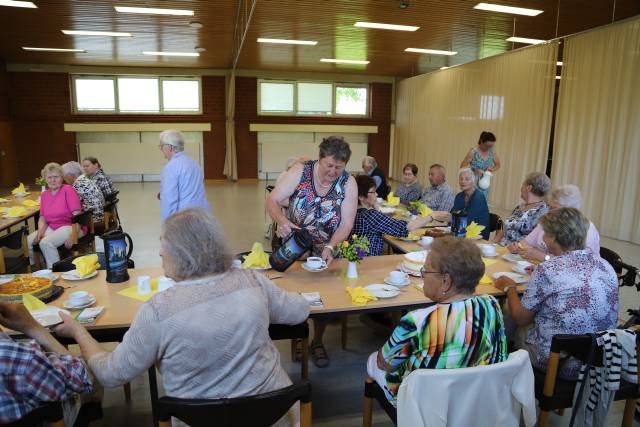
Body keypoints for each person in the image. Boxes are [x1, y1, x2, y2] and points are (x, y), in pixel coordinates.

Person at [55, 208, 309, 427]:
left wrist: (78, 331)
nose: (160, 253)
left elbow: (111, 374)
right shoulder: (252, 281)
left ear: (183, 253)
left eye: (164, 244)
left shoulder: (158, 310)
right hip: (274, 416)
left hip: (198, 421)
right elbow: (299, 311)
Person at [367, 237, 508, 405]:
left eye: (426, 271)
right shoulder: (491, 304)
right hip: (479, 400)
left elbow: (385, 364)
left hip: (427, 405)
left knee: (373, 360)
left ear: (446, 281)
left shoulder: (417, 321)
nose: (423, 276)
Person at [494, 208, 618, 378]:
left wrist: (510, 288)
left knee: (512, 322)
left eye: (545, 233)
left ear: (553, 237)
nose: (543, 238)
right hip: (598, 360)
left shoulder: (549, 269)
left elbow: (521, 317)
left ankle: (502, 373)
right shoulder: (606, 266)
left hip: (557, 362)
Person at [266, 136, 357, 368]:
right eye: (329, 165)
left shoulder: (348, 183)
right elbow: (273, 199)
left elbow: (346, 223)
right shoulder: (301, 171)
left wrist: (330, 246)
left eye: (339, 167)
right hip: (293, 244)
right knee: (293, 294)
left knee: (323, 299)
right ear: (320, 159)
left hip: (324, 249)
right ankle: (298, 336)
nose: (333, 171)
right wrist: (281, 220)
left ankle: (317, 341)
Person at [0, 302, 92, 424]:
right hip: (50, 417)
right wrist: (33, 327)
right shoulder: (22, 359)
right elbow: (82, 377)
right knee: (94, 370)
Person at [508, 185, 601, 261]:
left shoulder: (586, 229)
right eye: (549, 207)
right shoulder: (551, 222)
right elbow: (525, 243)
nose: (550, 212)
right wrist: (518, 247)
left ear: (572, 211)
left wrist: (545, 257)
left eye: (554, 208)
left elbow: (577, 265)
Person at [352, 175, 434, 256]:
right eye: (373, 192)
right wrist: (432, 217)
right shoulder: (370, 216)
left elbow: (380, 223)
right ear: (361, 197)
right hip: (368, 262)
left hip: (355, 259)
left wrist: (376, 207)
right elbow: (406, 227)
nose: (376, 194)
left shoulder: (353, 212)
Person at [27, 163, 83, 268]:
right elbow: (42, 218)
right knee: (28, 241)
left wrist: (73, 235)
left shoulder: (68, 190)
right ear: (45, 179)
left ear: (62, 178)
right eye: (49, 177)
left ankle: (56, 272)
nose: (53, 180)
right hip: (53, 227)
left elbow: (77, 216)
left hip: (70, 226)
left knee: (46, 243)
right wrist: (40, 232)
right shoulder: (44, 195)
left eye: (56, 177)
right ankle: (37, 268)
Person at [158, 130, 210, 221]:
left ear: (169, 147)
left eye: (161, 146)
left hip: (184, 222)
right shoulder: (194, 164)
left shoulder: (171, 168)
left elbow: (169, 203)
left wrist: (166, 229)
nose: (161, 150)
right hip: (202, 218)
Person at [493, 172, 550, 246]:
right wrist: (492, 244)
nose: (521, 188)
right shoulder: (519, 207)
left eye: (523, 185)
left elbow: (537, 241)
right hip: (502, 249)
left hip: (520, 254)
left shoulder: (543, 211)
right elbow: (506, 229)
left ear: (529, 188)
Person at [432, 168, 490, 240]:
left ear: (473, 181)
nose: (463, 181)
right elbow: (453, 214)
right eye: (461, 179)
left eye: (467, 179)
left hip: (478, 236)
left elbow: (468, 220)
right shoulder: (459, 196)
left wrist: (451, 219)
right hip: (460, 232)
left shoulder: (479, 197)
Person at [62, 161, 105, 227]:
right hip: (100, 216)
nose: (64, 179)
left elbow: (70, 207)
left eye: (64, 176)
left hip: (93, 220)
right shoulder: (85, 179)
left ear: (70, 175)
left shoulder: (77, 185)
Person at [460, 131, 501, 199]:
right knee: (471, 203)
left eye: (491, 146)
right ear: (482, 142)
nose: (489, 148)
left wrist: (491, 169)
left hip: (485, 183)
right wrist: (475, 170)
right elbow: (462, 166)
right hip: (472, 183)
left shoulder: (492, 152)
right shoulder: (473, 151)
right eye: (487, 146)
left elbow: (498, 165)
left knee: (482, 202)